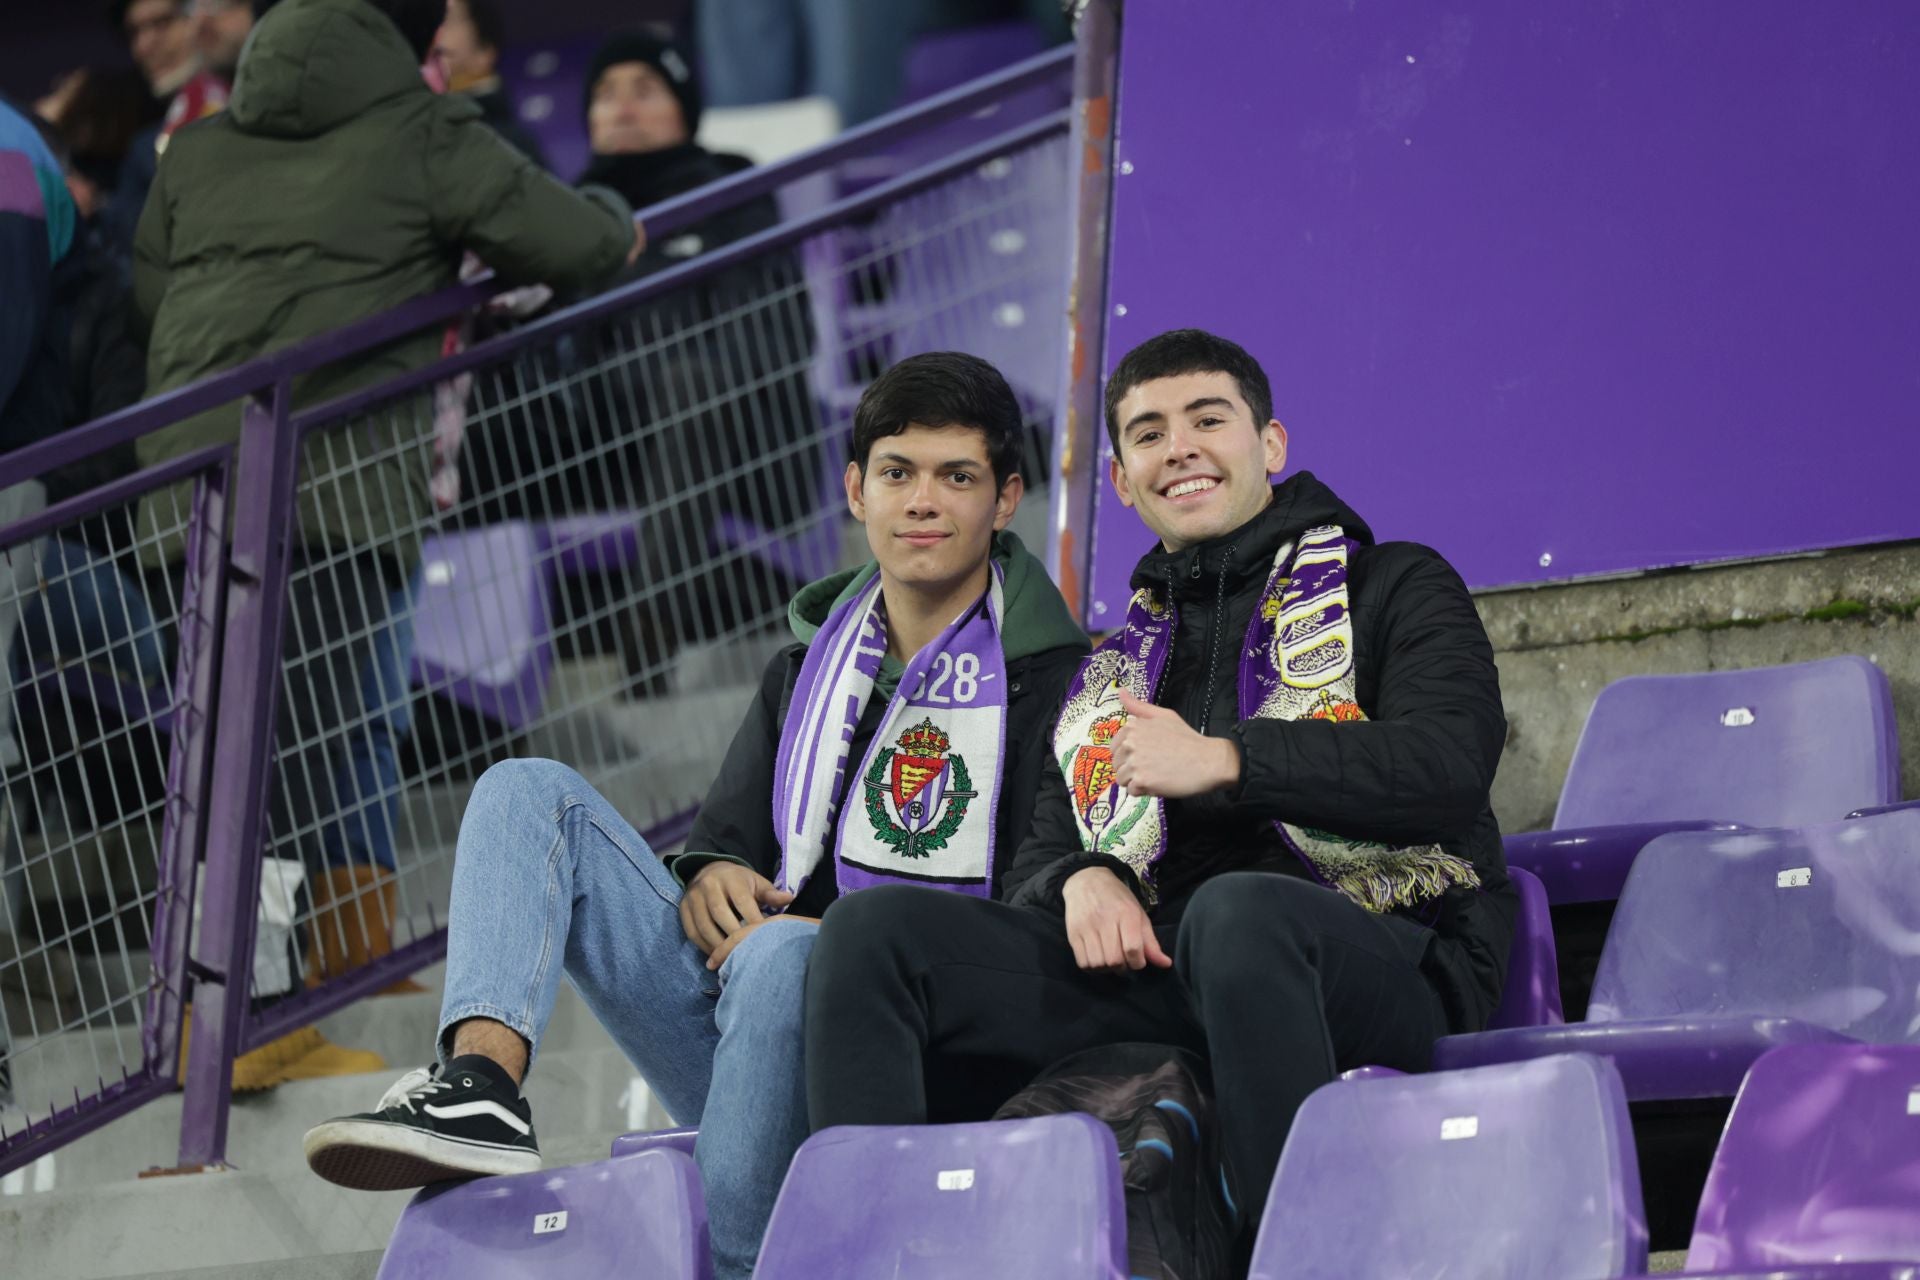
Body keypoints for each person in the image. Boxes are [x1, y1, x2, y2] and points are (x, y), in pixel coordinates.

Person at [303, 352, 1091, 1280]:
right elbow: (724, 847)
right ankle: (479, 1086)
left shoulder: (1062, 681)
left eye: (956, 477)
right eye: (897, 473)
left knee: (788, 948)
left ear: (1005, 501)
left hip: (914, 1064)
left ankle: (745, 1256)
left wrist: (822, 936)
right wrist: (712, 869)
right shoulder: (808, 672)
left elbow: (1029, 921)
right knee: (525, 793)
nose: (922, 501)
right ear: (855, 491)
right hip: (753, 1021)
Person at [802, 329, 1519, 1259]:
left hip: (1379, 959)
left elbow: (1446, 765)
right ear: (1121, 479)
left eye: (1207, 419)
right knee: (873, 935)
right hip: (1168, 971)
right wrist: (1080, 878)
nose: (1178, 445)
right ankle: (887, 1261)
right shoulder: (1108, 672)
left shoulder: (1395, 584)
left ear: (1270, 445)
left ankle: (1299, 1261)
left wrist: (1230, 761)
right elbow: (1040, 855)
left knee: (1237, 914)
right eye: (1148, 433)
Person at [131, 0, 641, 1086]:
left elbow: (152, 289)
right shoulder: (424, 129)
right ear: (413, 39)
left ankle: (331, 967)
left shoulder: (203, 143)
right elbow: (573, 239)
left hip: (195, 484)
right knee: (293, 752)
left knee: (254, 740)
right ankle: (250, 1021)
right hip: (331, 481)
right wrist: (611, 215)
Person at [456, 29, 818, 699]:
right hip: (604, 439)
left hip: (738, 445)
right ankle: (441, 686)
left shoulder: (732, 191)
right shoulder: (568, 214)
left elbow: (774, 336)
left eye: (644, 91)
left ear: (684, 108)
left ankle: (649, 634)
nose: (620, 108)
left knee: (692, 382)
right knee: (461, 431)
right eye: (604, 95)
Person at [430, 0, 547, 166]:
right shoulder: (425, 128)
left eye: (446, 19)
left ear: (484, 51)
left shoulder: (510, 144)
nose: (434, 33)